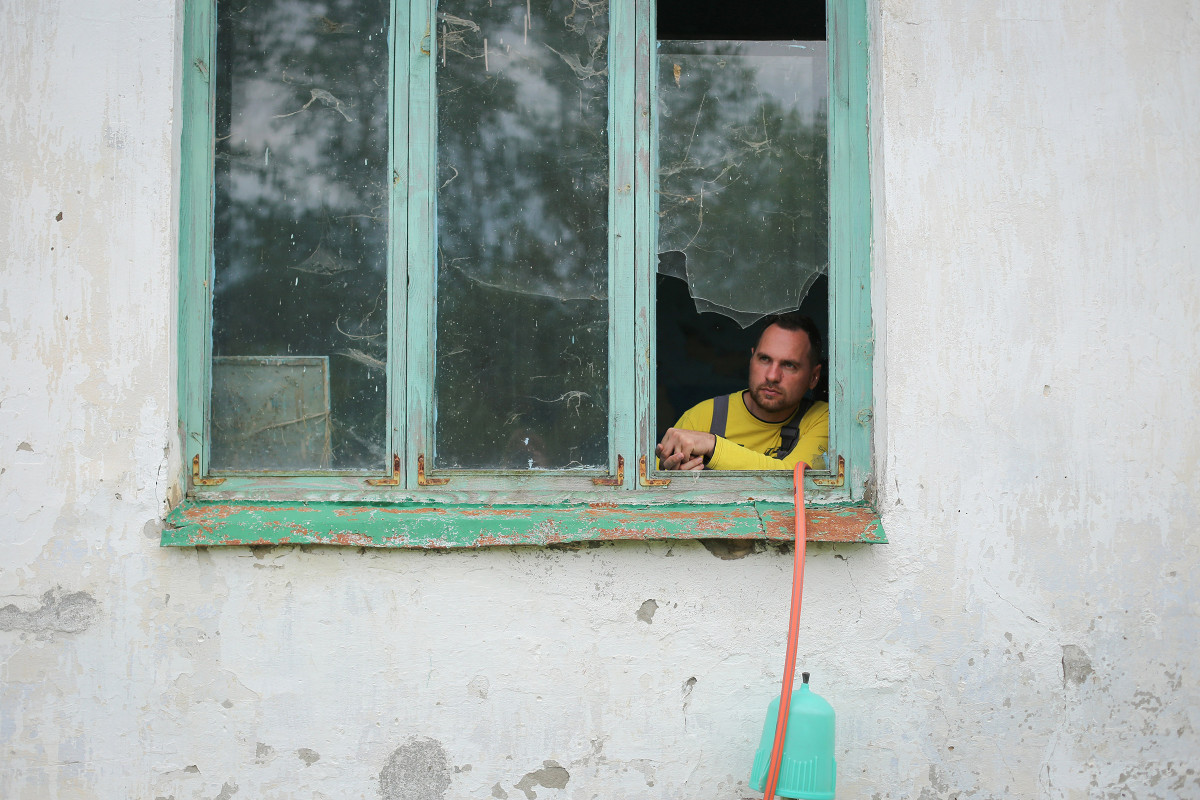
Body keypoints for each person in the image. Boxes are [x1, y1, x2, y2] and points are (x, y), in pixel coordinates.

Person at [655, 313, 828, 471]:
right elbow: (652, 486)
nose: (772, 376)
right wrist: (670, 474)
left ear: (813, 377)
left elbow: (795, 476)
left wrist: (712, 445)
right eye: (764, 359)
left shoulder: (825, 419)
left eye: (789, 365)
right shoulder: (700, 418)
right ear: (751, 359)